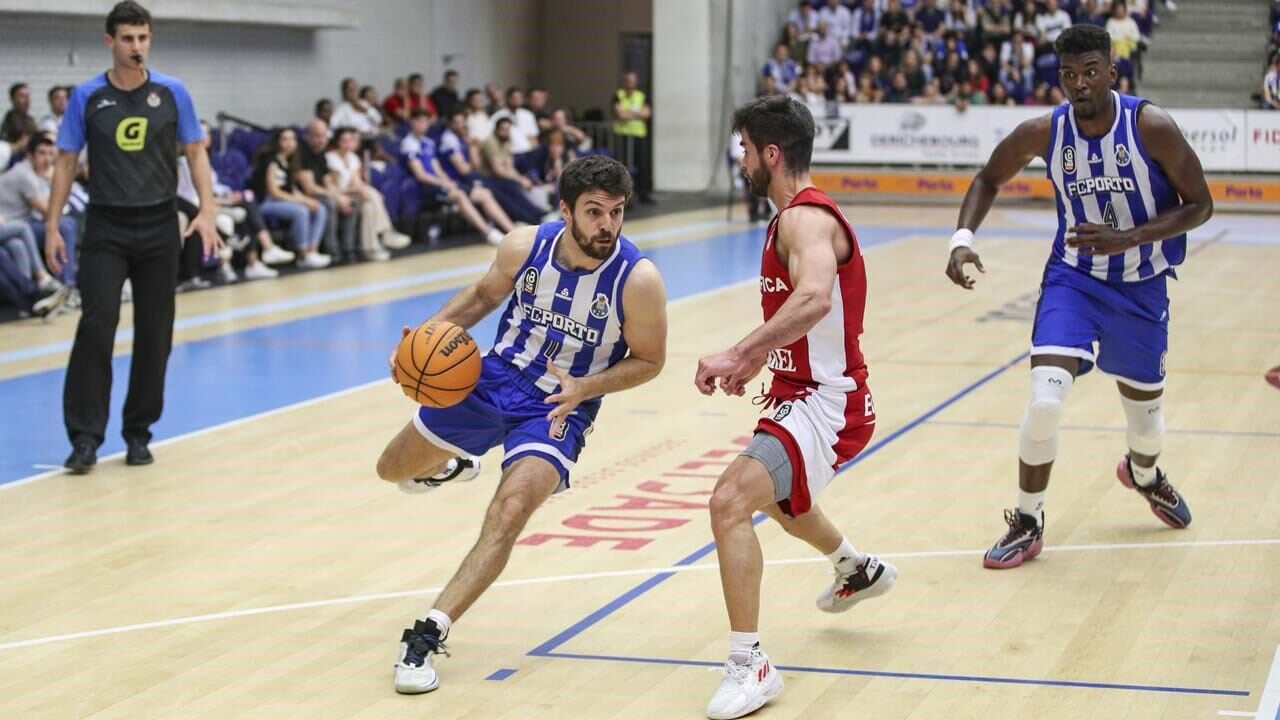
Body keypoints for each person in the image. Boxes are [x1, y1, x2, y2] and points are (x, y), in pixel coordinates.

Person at [376, 155, 668, 695]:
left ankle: (427, 633)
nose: (608, 225)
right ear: (566, 211)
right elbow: (482, 298)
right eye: (595, 211)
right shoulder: (524, 246)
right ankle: (454, 463)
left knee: (510, 509)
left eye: (617, 212)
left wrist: (587, 388)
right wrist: (418, 341)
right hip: (492, 380)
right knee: (391, 469)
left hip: (559, 406)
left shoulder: (638, 279)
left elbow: (650, 361)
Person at [944, 25, 1212, 569]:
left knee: (1146, 429)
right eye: (1069, 75)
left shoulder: (1151, 126)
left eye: (1090, 72)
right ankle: (1027, 519)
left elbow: (1201, 205)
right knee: (1045, 399)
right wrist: (962, 239)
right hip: (1075, 280)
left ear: (1112, 72)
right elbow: (988, 177)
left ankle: (1142, 475)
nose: (1080, 84)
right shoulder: (1045, 132)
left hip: (1142, 287)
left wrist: (1131, 237)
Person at [694, 96, 896, 720]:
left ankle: (750, 663)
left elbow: (813, 298)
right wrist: (761, 359)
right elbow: (804, 319)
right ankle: (854, 568)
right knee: (778, 503)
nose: (742, 162)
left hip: (824, 402)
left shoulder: (804, 221)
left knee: (729, 501)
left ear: (770, 154)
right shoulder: (793, 217)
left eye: (745, 151)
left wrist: (737, 352)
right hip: (796, 391)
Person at [45, 0, 221, 474]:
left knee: (154, 334)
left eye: (142, 38)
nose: (136, 47)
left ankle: (138, 432)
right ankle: (85, 439)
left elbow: (196, 153)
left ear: (150, 40)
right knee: (96, 329)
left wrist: (206, 208)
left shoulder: (173, 92)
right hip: (105, 226)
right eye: (127, 39)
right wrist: (52, 225)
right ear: (110, 42)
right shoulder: (87, 97)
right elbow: (64, 162)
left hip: (160, 225)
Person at [613, 72, 654, 203]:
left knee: (642, 165)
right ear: (625, 82)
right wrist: (637, 114)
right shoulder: (618, 95)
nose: (630, 83)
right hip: (623, 135)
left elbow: (647, 113)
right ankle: (624, 196)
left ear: (636, 82)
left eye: (632, 81)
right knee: (623, 166)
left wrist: (628, 113)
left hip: (638, 135)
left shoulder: (642, 96)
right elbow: (620, 114)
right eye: (628, 81)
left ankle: (643, 194)